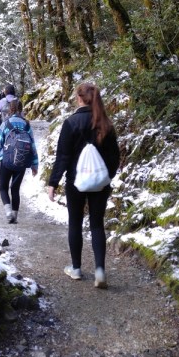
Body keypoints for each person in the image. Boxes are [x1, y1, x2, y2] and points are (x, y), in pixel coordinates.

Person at [48, 82, 120, 288]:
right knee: (97, 224)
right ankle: (100, 271)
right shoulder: (106, 124)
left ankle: (76, 269)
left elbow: (63, 156)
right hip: (100, 183)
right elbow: (114, 157)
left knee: (75, 223)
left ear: (79, 98)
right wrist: (107, 177)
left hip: (75, 182)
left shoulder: (71, 123)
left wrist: (53, 183)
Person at [0, 99, 39, 223]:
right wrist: (34, 165)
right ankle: (14, 216)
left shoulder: (6, 124)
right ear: (21, 109)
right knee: (15, 189)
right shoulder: (26, 125)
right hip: (21, 161)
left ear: (10, 109)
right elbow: (32, 146)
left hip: (6, 161)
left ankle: (8, 212)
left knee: (3, 187)